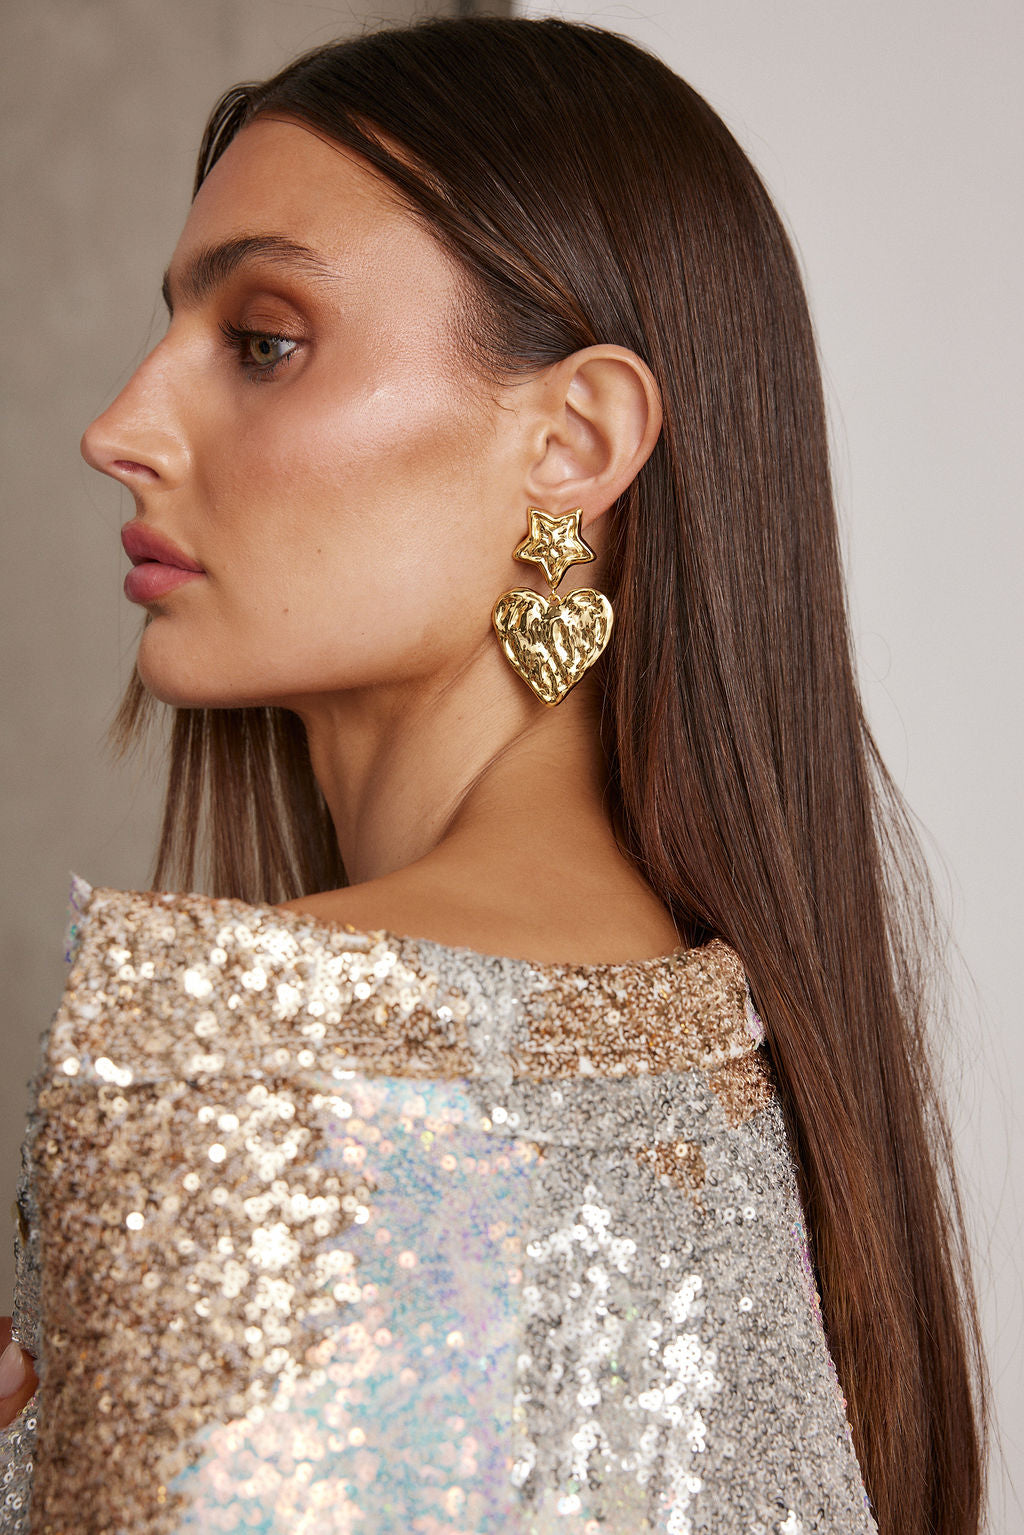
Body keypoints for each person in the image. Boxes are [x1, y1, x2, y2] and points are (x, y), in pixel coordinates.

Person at [0, 15, 985, 1535]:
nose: (117, 429)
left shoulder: (249, 1063)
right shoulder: (751, 1082)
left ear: (573, 442)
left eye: (263, 342)